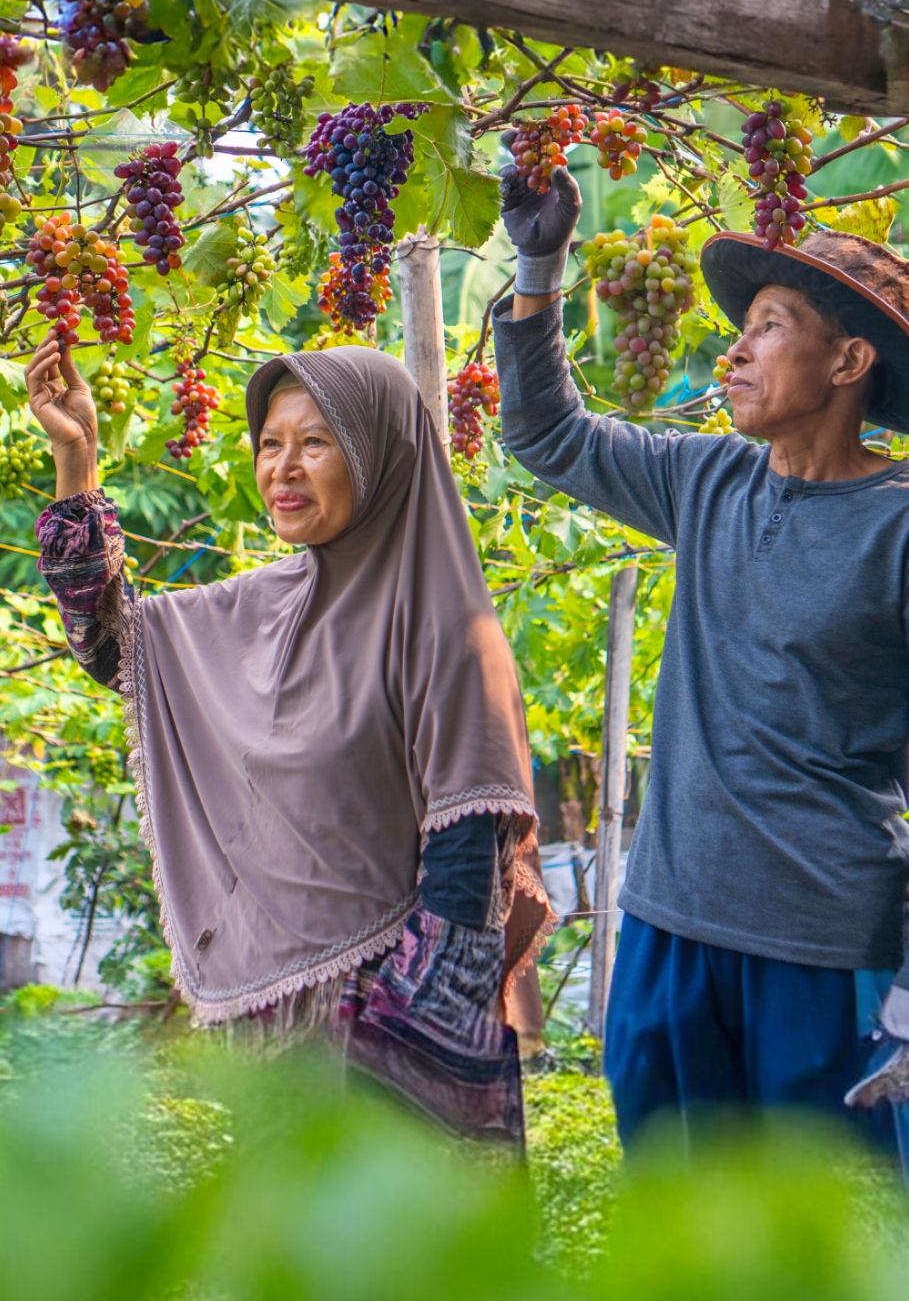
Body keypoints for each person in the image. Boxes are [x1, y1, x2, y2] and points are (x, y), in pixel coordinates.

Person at [25, 334, 551, 1145]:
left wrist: (379, 1081)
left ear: (380, 454)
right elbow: (112, 646)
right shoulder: (263, 604)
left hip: (393, 1054)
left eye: (315, 441)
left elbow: (463, 896)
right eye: (270, 443)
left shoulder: (449, 632)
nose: (282, 467)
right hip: (283, 1052)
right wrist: (78, 460)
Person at [492, 155, 909, 1156]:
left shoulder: (896, 530)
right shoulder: (706, 480)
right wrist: (539, 266)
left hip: (827, 950)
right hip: (670, 933)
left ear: (849, 363)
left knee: (827, 1241)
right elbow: (545, 431)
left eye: (769, 326)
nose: (735, 351)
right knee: (681, 1234)